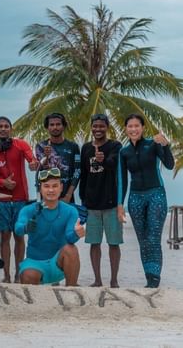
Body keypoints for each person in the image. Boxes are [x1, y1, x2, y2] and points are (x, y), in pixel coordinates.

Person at [117, 114, 174, 288]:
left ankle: (155, 278)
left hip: (156, 194)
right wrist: (120, 205)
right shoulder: (124, 152)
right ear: (126, 129)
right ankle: (149, 276)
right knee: (143, 240)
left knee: (153, 238)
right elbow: (122, 180)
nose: (133, 129)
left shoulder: (153, 144)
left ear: (142, 128)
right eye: (130, 126)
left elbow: (170, 164)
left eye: (137, 126)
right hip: (135, 198)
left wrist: (166, 145)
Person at [15, 168, 85, 286]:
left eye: (55, 186)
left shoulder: (70, 211)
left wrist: (76, 234)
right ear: (40, 188)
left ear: (61, 187)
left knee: (71, 249)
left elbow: (70, 239)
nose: (51, 190)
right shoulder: (29, 209)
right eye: (46, 186)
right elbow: (18, 228)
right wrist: (26, 228)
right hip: (35, 263)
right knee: (28, 275)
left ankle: (71, 290)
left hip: (57, 263)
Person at [0, 116, 37, 283]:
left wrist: (33, 163)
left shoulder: (20, 144)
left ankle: (18, 273)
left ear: (11, 129)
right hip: (1, 199)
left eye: (6, 126)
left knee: (19, 236)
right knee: (4, 236)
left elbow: (32, 159)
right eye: (0, 126)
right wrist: (3, 182)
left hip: (20, 199)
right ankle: (7, 275)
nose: (3, 129)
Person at [79, 114, 123, 288]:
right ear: (91, 127)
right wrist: (83, 199)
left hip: (111, 204)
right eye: (95, 126)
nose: (98, 129)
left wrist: (103, 160)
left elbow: (113, 164)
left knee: (114, 243)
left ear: (107, 127)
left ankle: (114, 280)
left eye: (101, 126)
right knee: (94, 243)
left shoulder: (115, 146)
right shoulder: (86, 148)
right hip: (91, 205)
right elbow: (83, 174)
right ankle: (97, 279)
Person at [35, 113, 80, 202]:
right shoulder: (41, 146)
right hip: (46, 198)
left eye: (58, 124)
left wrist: (68, 195)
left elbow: (77, 171)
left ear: (63, 126)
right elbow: (41, 170)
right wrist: (46, 156)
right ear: (47, 127)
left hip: (67, 198)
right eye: (51, 125)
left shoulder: (73, 146)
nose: (55, 127)